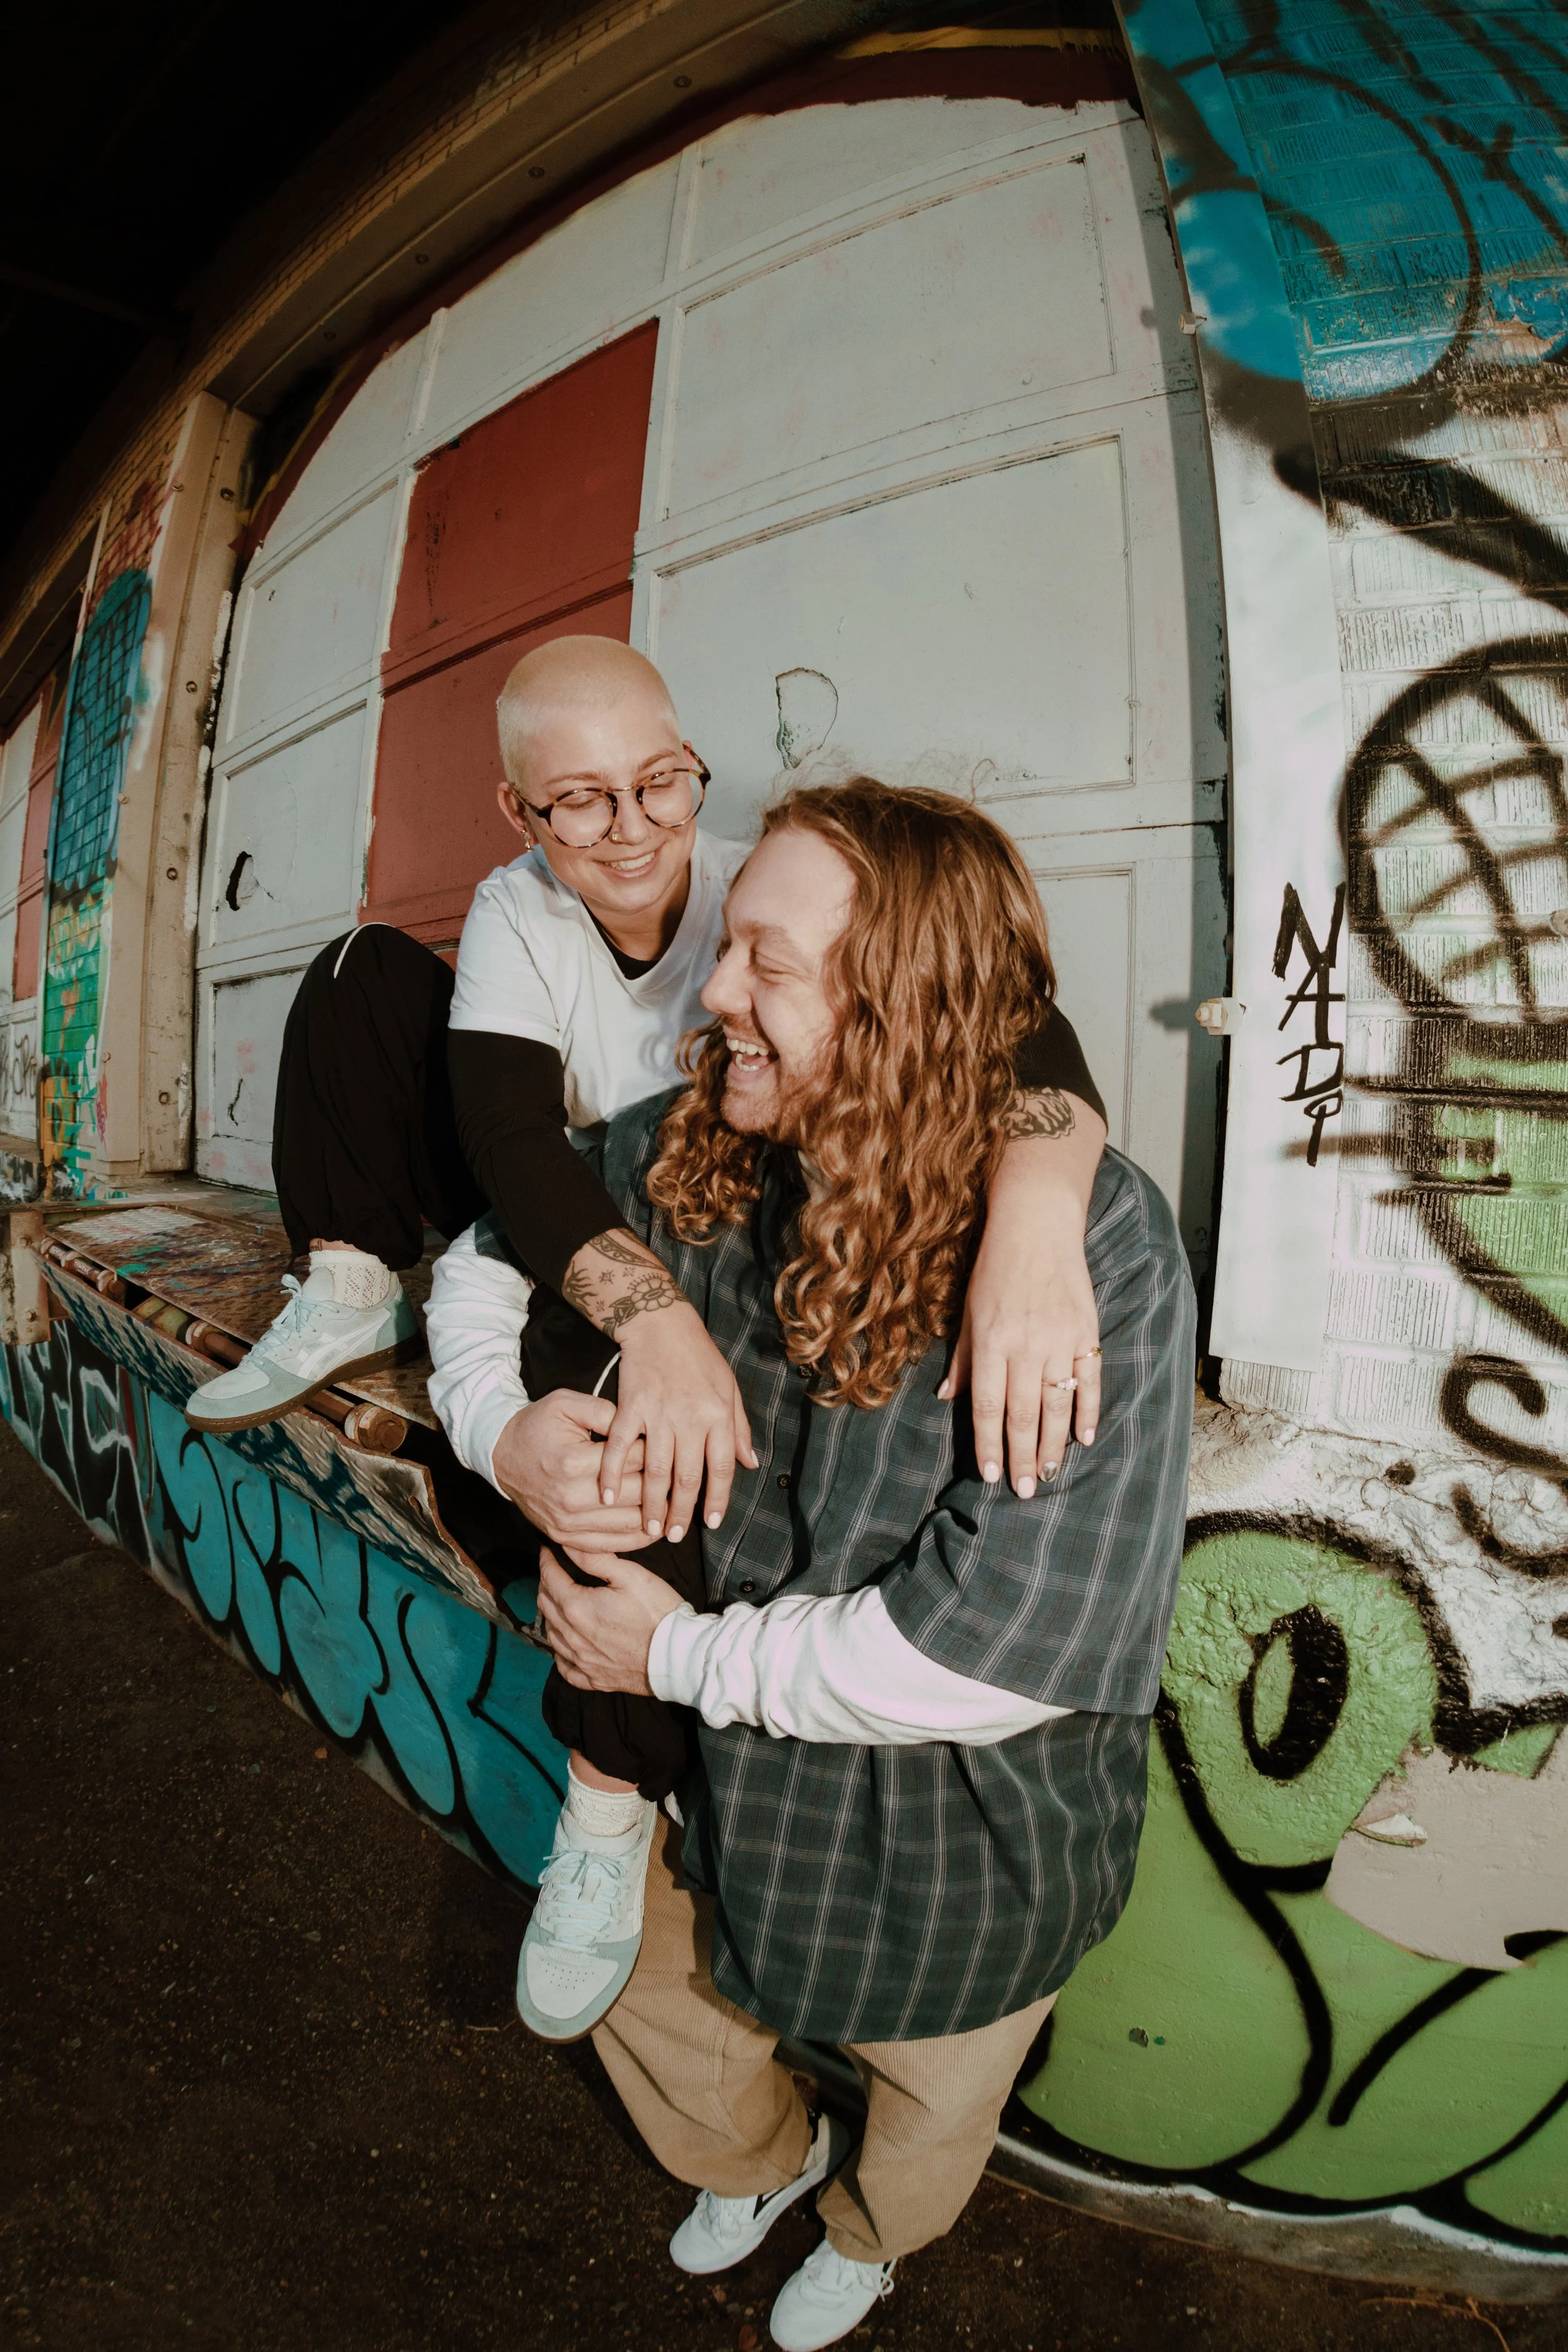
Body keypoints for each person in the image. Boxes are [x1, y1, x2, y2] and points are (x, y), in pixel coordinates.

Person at [183, 642, 1113, 2032]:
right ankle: (349, 1272)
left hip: (724, 1227)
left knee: (654, 1435)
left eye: (659, 784)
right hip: (586, 1216)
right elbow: (506, 1148)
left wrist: (1037, 1220)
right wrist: (583, 1359)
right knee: (358, 973)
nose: (631, 831)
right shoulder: (515, 915)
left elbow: (1013, 1024)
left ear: (694, 769)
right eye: (580, 802)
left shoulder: (766, 881)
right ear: (520, 815)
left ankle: (612, 1793)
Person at [426, 780, 1195, 2351]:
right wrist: (506, 1432)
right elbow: (484, 1253)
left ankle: (870, 2229)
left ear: (904, 1004)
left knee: (929, 2104)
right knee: (666, 2025)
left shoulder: (1088, 1241)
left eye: (765, 964)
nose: (710, 993)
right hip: (698, 1789)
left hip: (953, 1840)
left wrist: (673, 1659)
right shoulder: (706, 1134)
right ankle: (756, 2169)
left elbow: (991, 1648)